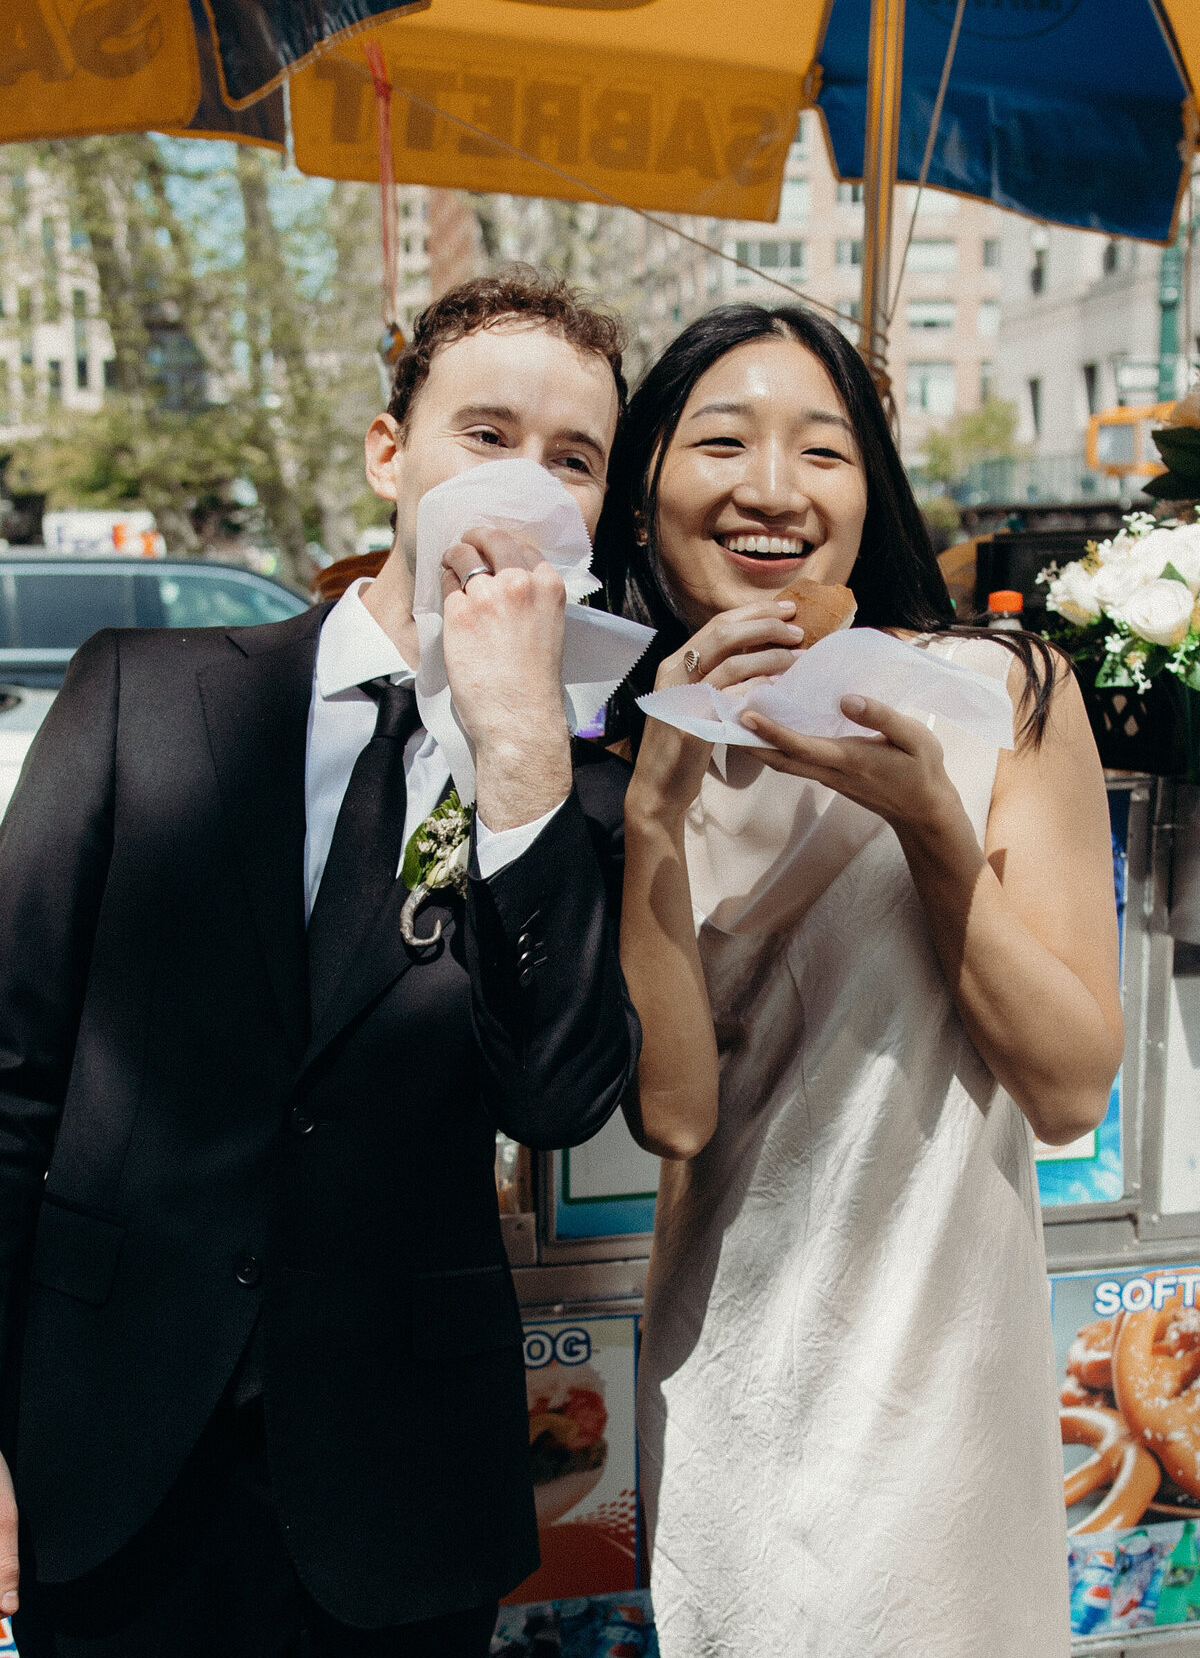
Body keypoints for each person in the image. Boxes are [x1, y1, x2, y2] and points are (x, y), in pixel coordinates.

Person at [0, 269, 641, 1658]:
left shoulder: (583, 793)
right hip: (110, 1455)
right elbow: (9, 1077)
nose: (527, 482)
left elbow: (558, 1097)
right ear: (388, 451)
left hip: (395, 1493)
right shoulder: (145, 695)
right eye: (487, 434)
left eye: (573, 458)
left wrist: (525, 739)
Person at [596, 303, 1123, 1657]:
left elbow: (1068, 1091)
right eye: (722, 440)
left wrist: (938, 832)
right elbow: (678, 1119)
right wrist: (651, 820)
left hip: (945, 1373)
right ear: (646, 479)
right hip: (733, 1367)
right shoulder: (605, 747)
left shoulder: (997, 693)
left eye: (822, 450)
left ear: (867, 487)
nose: (773, 487)